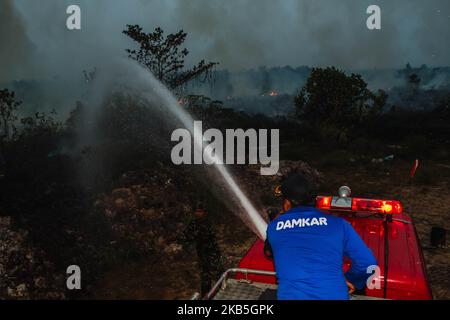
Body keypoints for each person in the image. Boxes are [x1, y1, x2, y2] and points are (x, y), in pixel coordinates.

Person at [266, 173, 377, 300]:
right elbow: (368, 263)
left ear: (286, 203)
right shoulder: (339, 224)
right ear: (315, 200)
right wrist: (350, 280)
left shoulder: (274, 228)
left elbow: (272, 252)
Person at [180, 203, 223, 296]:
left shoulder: (208, 222)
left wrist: (192, 237)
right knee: (204, 275)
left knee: (217, 273)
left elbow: (204, 235)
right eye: (196, 211)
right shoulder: (193, 223)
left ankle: (222, 292)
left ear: (204, 212)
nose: (198, 213)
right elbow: (186, 235)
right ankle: (206, 295)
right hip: (202, 253)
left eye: (200, 211)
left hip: (212, 253)